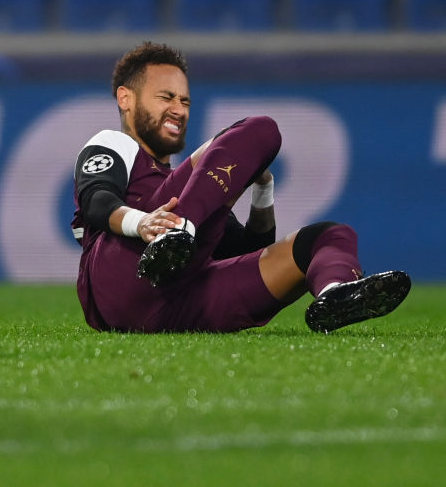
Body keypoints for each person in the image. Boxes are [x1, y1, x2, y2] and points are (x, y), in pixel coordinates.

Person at [72, 42, 410, 334]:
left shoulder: (195, 192)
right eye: (166, 97)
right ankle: (175, 234)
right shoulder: (114, 144)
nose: (179, 109)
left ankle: (336, 292)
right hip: (124, 273)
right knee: (261, 129)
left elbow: (248, 252)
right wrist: (143, 223)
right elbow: (97, 200)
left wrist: (262, 189)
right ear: (126, 98)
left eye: (185, 102)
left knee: (331, 236)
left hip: (177, 303)